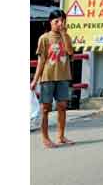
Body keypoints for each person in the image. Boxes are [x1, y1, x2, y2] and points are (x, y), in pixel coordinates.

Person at [30, 9, 75, 148]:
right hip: (47, 77)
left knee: (62, 106)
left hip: (63, 76)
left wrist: (63, 34)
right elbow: (41, 61)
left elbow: (70, 53)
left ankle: (61, 136)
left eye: (62, 21)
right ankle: (45, 138)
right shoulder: (44, 38)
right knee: (45, 108)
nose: (60, 24)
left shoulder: (66, 37)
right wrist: (35, 80)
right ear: (51, 22)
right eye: (57, 21)